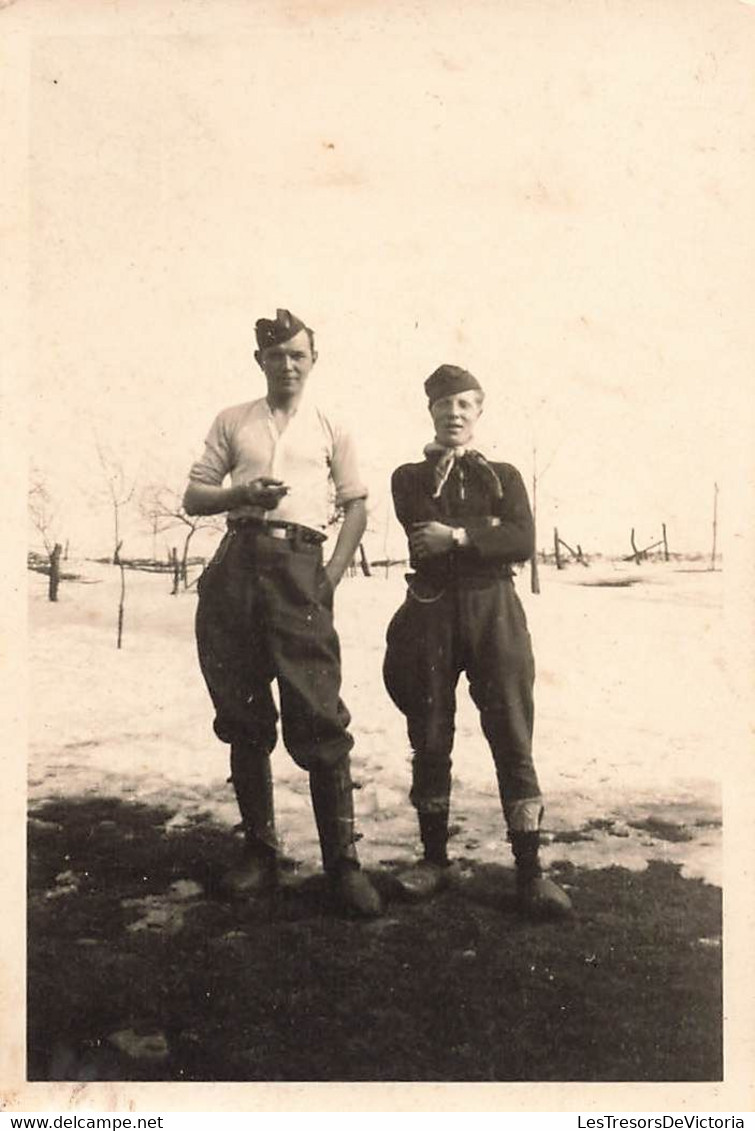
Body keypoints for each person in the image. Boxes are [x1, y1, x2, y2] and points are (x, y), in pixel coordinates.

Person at [183, 307, 381, 918]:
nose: (287, 364)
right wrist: (240, 494)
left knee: (318, 716)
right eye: (276, 355)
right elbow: (193, 496)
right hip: (238, 567)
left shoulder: (331, 425)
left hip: (300, 569)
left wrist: (329, 579)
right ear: (260, 362)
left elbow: (356, 507)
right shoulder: (232, 421)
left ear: (313, 361)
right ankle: (260, 855)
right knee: (242, 713)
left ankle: (342, 865)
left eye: (298, 354)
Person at [383, 364, 572, 918]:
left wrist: (462, 535)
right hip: (433, 611)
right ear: (431, 413)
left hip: (495, 609)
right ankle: (434, 859)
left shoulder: (505, 475)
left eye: (465, 404)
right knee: (431, 728)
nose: (454, 414)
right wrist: (485, 536)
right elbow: (424, 537)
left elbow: (522, 539)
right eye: (444, 405)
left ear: (480, 411)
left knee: (512, 730)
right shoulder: (409, 476)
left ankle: (530, 873)